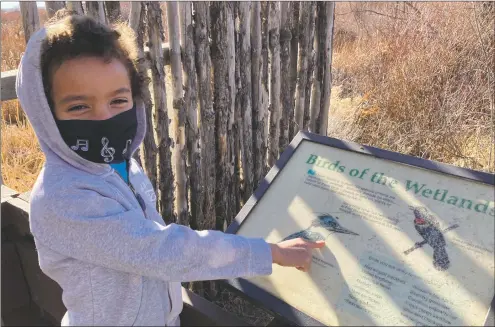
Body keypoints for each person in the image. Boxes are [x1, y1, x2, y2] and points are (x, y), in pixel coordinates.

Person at [16, 11, 325, 326]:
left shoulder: (119, 166)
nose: (103, 119)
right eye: (79, 106)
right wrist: (269, 252)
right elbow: (161, 251)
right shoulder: (64, 198)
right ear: (46, 114)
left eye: (118, 101)